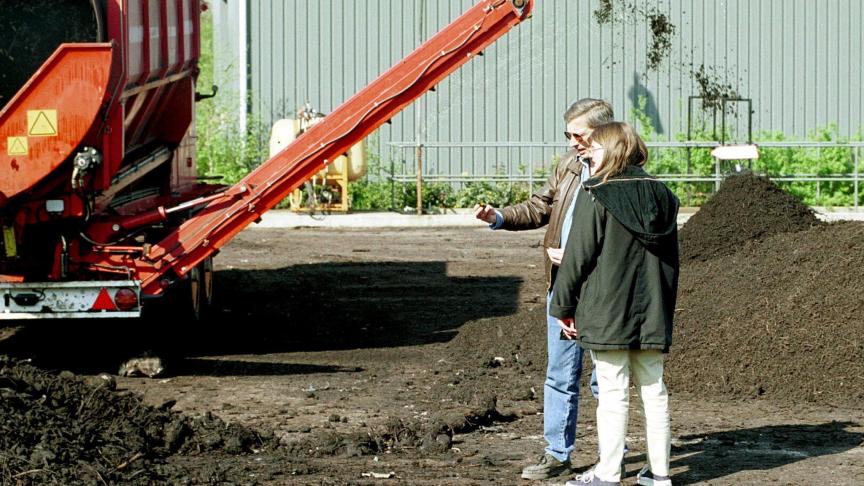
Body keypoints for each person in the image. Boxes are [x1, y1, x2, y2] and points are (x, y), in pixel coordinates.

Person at [474, 99, 614, 480]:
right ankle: (557, 454)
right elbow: (540, 207)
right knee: (560, 373)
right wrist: (498, 216)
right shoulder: (569, 166)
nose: (571, 142)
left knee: (605, 380)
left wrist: (579, 254)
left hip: (600, 290)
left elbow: (622, 235)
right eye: (568, 134)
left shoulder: (619, 173)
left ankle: (611, 458)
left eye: (578, 135)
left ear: (602, 132)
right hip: (563, 287)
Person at [549, 122, 679, 486]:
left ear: (611, 149)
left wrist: (562, 307)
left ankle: (607, 473)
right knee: (654, 391)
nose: (588, 153)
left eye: (594, 148)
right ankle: (660, 473)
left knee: (612, 392)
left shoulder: (596, 193)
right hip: (653, 310)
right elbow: (672, 264)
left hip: (606, 312)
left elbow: (578, 257)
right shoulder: (664, 195)